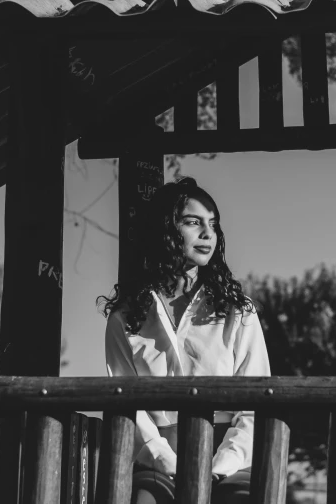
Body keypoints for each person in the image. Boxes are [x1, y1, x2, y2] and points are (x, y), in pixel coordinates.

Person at [99, 177, 271, 504]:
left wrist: (221, 466)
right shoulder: (126, 317)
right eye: (193, 222)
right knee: (144, 500)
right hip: (155, 461)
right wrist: (168, 462)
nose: (208, 234)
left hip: (231, 459)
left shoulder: (238, 311)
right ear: (165, 230)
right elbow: (125, 403)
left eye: (213, 224)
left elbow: (254, 404)